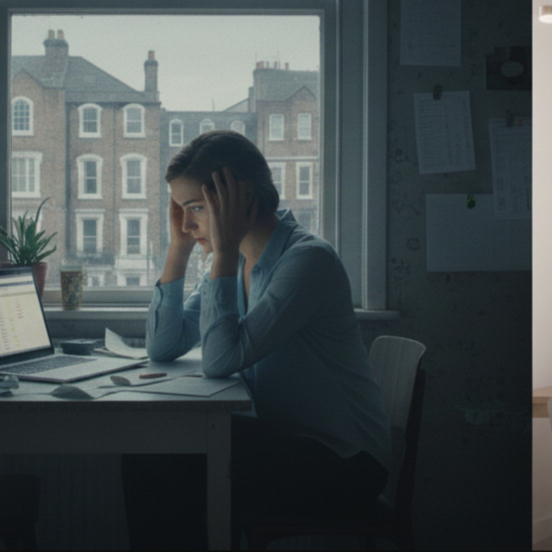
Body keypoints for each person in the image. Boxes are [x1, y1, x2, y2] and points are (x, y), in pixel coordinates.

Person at [122, 130, 391, 550]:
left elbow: (220, 358)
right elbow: (162, 344)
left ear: (240, 197)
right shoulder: (244, 260)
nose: (188, 223)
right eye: (180, 210)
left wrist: (223, 254)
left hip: (343, 464)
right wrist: (179, 248)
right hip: (288, 441)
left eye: (195, 208)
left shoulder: (306, 261)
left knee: (163, 453)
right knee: (157, 445)